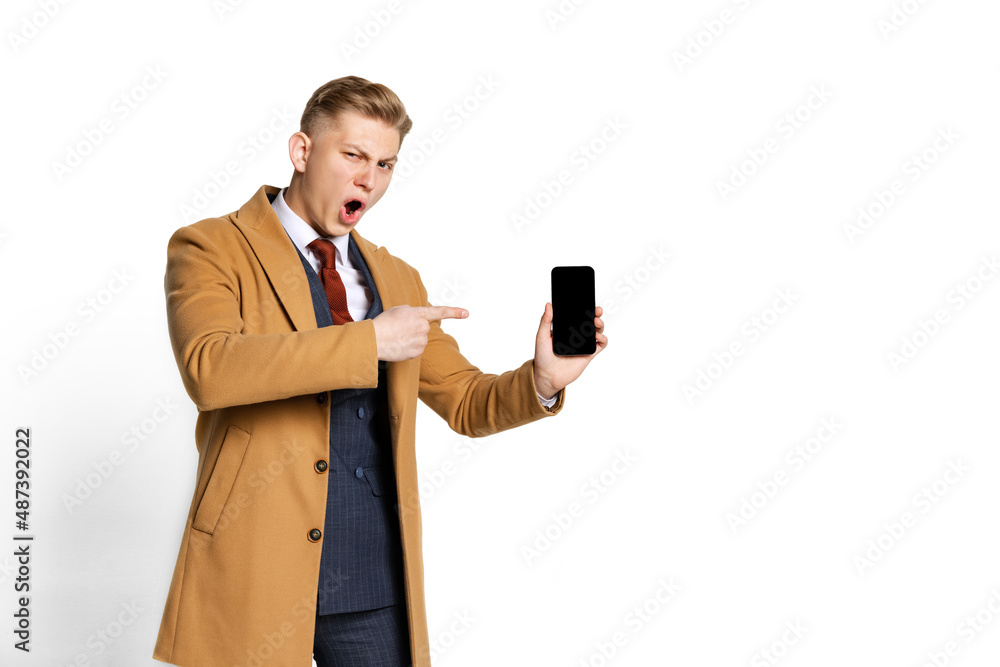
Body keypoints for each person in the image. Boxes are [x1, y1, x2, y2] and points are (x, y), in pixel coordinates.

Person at [152, 75, 606, 667]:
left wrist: (542, 381)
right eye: (354, 156)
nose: (370, 179)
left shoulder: (396, 278)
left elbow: (466, 402)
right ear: (302, 151)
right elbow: (210, 368)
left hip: (373, 579)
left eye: (387, 164)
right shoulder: (212, 247)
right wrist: (369, 339)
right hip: (254, 567)